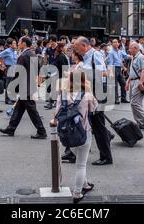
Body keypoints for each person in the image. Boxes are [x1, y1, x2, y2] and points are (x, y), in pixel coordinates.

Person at [51, 71, 97, 204]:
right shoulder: (87, 95)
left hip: (67, 133)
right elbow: (94, 108)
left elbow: (56, 112)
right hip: (83, 132)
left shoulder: (62, 95)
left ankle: (85, 185)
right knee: (81, 165)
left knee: (79, 159)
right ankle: (77, 193)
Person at [74, 36, 113, 166]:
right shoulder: (86, 57)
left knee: (98, 125)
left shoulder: (95, 55)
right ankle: (106, 146)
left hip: (97, 94)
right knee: (96, 124)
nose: (77, 52)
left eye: (78, 48)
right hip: (91, 94)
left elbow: (104, 73)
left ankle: (106, 157)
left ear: (84, 46)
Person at [0, 36, 47, 140]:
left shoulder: (23, 56)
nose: (18, 44)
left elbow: (18, 72)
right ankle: (11, 128)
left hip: (25, 86)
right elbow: (37, 69)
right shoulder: (33, 54)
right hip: (30, 85)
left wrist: (12, 85)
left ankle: (42, 131)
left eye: (19, 42)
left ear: (24, 43)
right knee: (19, 108)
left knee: (32, 110)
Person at [126, 41, 144, 130]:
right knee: (135, 103)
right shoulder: (134, 57)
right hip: (133, 81)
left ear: (136, 48)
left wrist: (140, 82)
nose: (129, 50)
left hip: (138, 81)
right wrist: (128, 81)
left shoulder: (140, 57)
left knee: (134, 103)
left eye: (130, 48)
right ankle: (140, 122)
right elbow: (132, 71)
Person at [107, 39, 130, 104]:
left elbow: (126, 56)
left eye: (116, 42)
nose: (115, 43)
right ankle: (116, 99)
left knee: (123, 83)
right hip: (114, 68)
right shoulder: (111, 52)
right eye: (113, 42)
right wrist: (110, 72)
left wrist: (131, 55)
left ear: (118, 44)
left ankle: (123, 98)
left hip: (119, 69)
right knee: (115, 85)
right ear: (112, 44)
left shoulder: (120, 51)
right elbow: (110, 63)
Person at [0, 38, 18, 105]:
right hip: (9, 67)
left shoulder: (15, 51)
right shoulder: (7, 51)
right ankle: (7, 99)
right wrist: (3, 64)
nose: (16, 44)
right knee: (9, 84)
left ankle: (12, 98)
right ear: (10, 45)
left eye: (16, 43)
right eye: (14, 43)